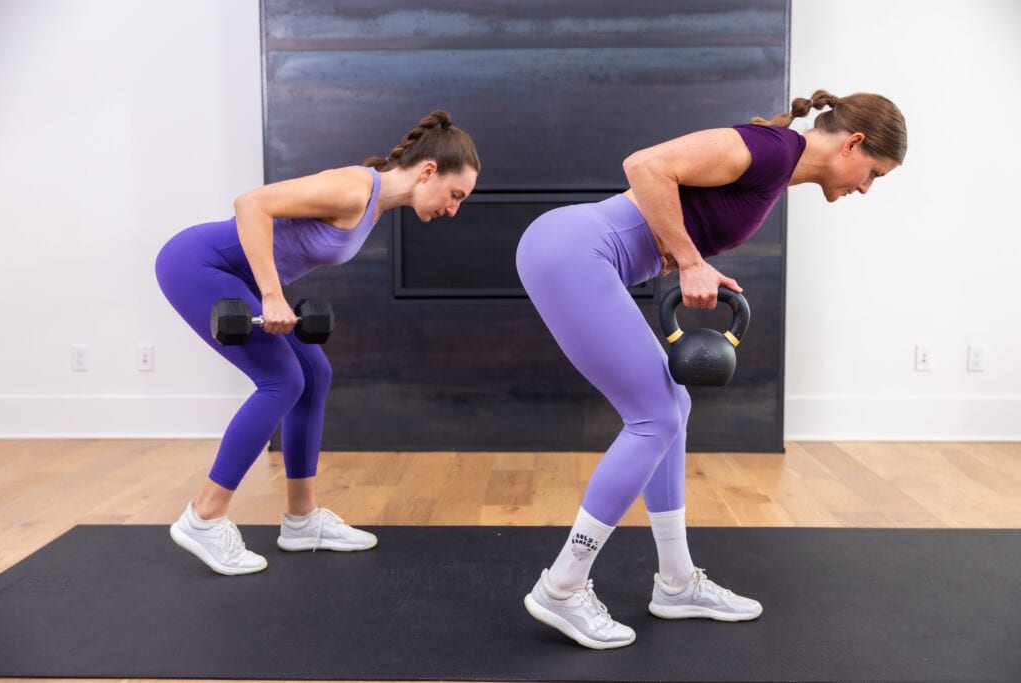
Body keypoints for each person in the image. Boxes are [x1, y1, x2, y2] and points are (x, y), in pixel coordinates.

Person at [517, 90, 907, 648]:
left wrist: (686, 259)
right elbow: (645, 165)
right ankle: (562, 586)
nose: (866, 188)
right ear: (854, 143)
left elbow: (671, 209)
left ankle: (676, 583)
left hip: (576, 251)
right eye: (874, 173)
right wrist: (693, 260)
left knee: (673, 407)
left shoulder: (778, 166)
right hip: (574, 251)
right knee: (652, 416)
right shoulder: (774, 148)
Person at [156, 110, 480, 575]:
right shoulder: (354, 188)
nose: (453, 208)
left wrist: (268, 290)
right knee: (281, 380)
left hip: (237, 276)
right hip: (198, 264)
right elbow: (251, 204)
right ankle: (204, 517)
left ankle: (302, 520)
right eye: (455, 195)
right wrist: (271, 295)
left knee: (313, 374)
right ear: (429, 171)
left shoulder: (373, 202)